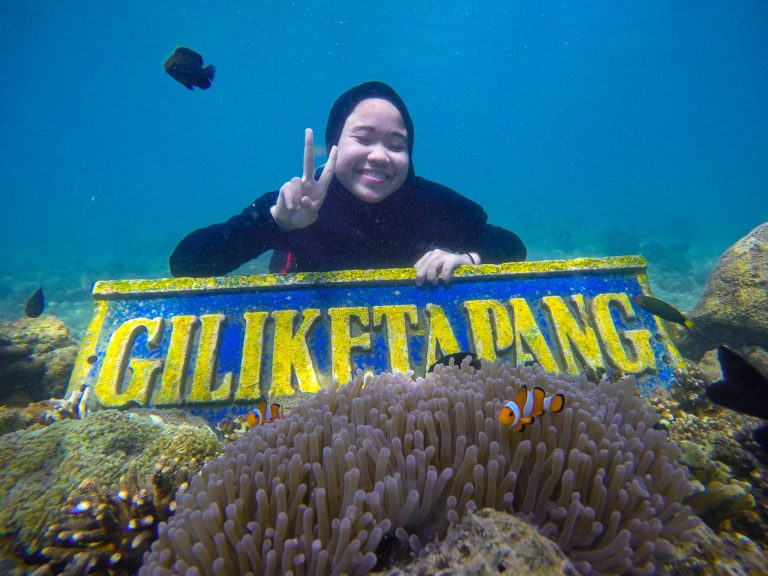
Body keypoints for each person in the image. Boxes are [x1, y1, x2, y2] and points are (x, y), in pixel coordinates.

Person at [169, 81, 526, 285]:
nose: (381, 156)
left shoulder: (436, 204)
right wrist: (273, 223)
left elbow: (512, 247)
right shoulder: (297, 202)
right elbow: (185, 263)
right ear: (334, 145)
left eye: (397, 145)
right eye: (364, 138)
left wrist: (469, 258)